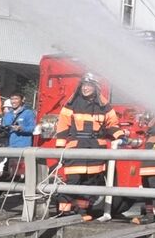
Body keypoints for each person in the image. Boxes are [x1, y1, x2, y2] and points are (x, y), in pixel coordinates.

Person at [54, 73, 126, 220]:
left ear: (95, 87)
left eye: (89, 86)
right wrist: (60, 150)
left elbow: (112, 125)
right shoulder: (72, 104)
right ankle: (63, 212)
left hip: (95, 149)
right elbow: (62, 127)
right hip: (76, 148)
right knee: (72, 181)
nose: (85, 88)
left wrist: (120, 136)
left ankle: (81, 212)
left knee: (89, 183)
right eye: (83, 85)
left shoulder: (104, 106)